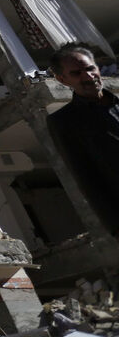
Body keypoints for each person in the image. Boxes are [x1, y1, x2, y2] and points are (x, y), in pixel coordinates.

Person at [47, 42, 119, 233]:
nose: (88, 76)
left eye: (90, 68)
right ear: (62, 79)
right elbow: (86, 178)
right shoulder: (64, 121)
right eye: (76, 73)